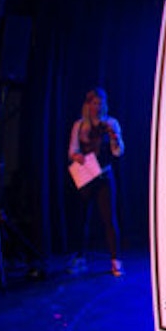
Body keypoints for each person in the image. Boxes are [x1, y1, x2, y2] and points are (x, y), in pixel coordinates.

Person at [68, 88, 125, 275]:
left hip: (104, 175)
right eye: (94, 103)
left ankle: (115, 260)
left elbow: (118, 152)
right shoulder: (79, 125)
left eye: (101, 103)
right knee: (82, 218)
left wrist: (115, 138)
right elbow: (72, 151)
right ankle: (80, 257)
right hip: (86, 175)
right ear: (88, 105)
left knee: (109, 219)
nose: (98, 107)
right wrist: (77, 157)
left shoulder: (111, 123)